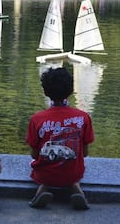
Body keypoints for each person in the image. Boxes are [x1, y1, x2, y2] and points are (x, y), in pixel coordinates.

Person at [26, 67, 94, 210]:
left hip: (45, 173)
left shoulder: (36, 119)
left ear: (45, 92)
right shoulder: (83, 117)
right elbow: (85, 153)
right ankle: (77, 190)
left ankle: (40, 193)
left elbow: (35, 154)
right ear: (70, 90)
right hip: (73, 172)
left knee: (45, 173)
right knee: (73, 175)